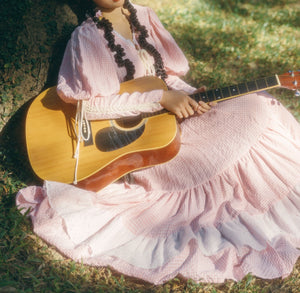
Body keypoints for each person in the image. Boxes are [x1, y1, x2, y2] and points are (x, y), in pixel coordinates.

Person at [16, 0, 300, 285]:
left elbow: (168, 79)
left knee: (260, 105)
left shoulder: (145, 17)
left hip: (171, 123)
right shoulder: (87, 37)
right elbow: (90, 108)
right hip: (143, 143)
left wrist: (187, 96)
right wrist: (159, 100)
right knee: (255, 113)